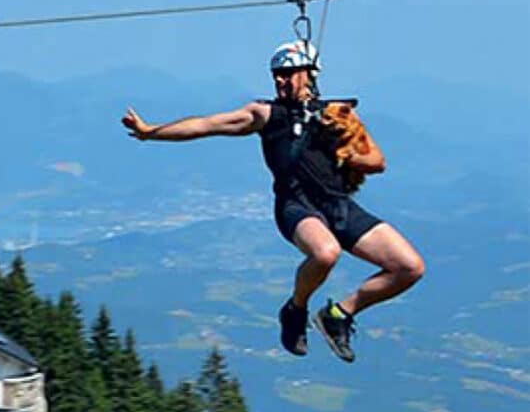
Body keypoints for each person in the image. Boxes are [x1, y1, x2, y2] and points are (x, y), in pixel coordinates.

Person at [121, 40, 425, 362]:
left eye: (287, 74)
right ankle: (295, 309)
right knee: (325, 253)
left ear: (308, 74)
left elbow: (377, 161)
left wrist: (342, 150)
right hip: (297, 207)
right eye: (276, 75)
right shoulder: (266, 115)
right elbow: (207, 125)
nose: (280, 81)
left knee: (409, 267)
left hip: (338, 205)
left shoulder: (337, 116)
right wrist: (150, 131)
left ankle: (339, 314)